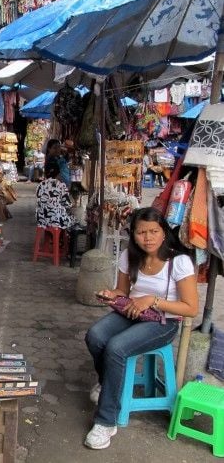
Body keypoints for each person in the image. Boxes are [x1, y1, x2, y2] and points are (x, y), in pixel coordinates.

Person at [84, 207, 198, 450]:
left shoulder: (179, 262)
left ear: (164, 232)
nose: (148, 238)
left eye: (154, 231)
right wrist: (109, 294)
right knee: (95, 335)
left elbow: (190, 308)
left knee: (116, 348)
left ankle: (106, 421)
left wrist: (153, 300)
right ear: (133, 234)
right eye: (141, 232)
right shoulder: (130, 256)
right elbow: (122, 292)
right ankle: (107, 383)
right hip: (131, 312)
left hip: (163, 322)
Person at [36, 161, 74, 229]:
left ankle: (51, 236)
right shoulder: (61, 185)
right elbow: (67, 204)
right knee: (72, 219)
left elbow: (39, 200)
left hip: (41, 219)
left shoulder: (40, 185)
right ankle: (61, 237)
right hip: (56, 220)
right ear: (58, 174)